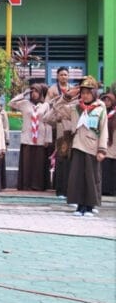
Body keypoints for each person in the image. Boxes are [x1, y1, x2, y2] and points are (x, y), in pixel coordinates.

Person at [50, 77, 108, 216]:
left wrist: (102, 149)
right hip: (77, 146)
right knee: (76, 177)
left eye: (88, 92)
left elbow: (103, 129)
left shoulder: (100, 109)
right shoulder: (75, 108)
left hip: (92, 147)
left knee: (91, 177)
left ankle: (89, 206)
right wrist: (67, 96)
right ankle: (79, 206)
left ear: (93, 93)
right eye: (83, 92)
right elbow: (57, 108)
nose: (85, 95)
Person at [9, 84, 51, 191]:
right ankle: (26, 185)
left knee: (38, 163)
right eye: (32, 91)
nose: (34, 93)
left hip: (40, 138)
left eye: (36, 91)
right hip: (27, 137)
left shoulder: (45, 105)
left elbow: (48, 122)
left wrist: (48, 139)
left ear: (41, 93)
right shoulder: (25, 104)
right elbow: (11, 103)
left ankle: (38, 185)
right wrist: (23, 94)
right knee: (27, 162)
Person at [45, 67, 74, 198]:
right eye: (61, 75)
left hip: (72, 126)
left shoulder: (73, 89)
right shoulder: (52, 89)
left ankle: (70, 188)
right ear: (57, 76)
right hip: (59, 125)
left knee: (71, 157)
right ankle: (59, 187)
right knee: (61, 155)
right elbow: (47, 105)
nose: (64, 77)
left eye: (66, 75)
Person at [101, 92, 115, 196]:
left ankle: (112, 189)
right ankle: (104, 189)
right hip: (103, 144)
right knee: (104, 168)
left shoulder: (114, 113)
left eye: (109, 100)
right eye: (105, 100)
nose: (106, 102)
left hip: (113, 144)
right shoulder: (101, 112)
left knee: (112, 168)